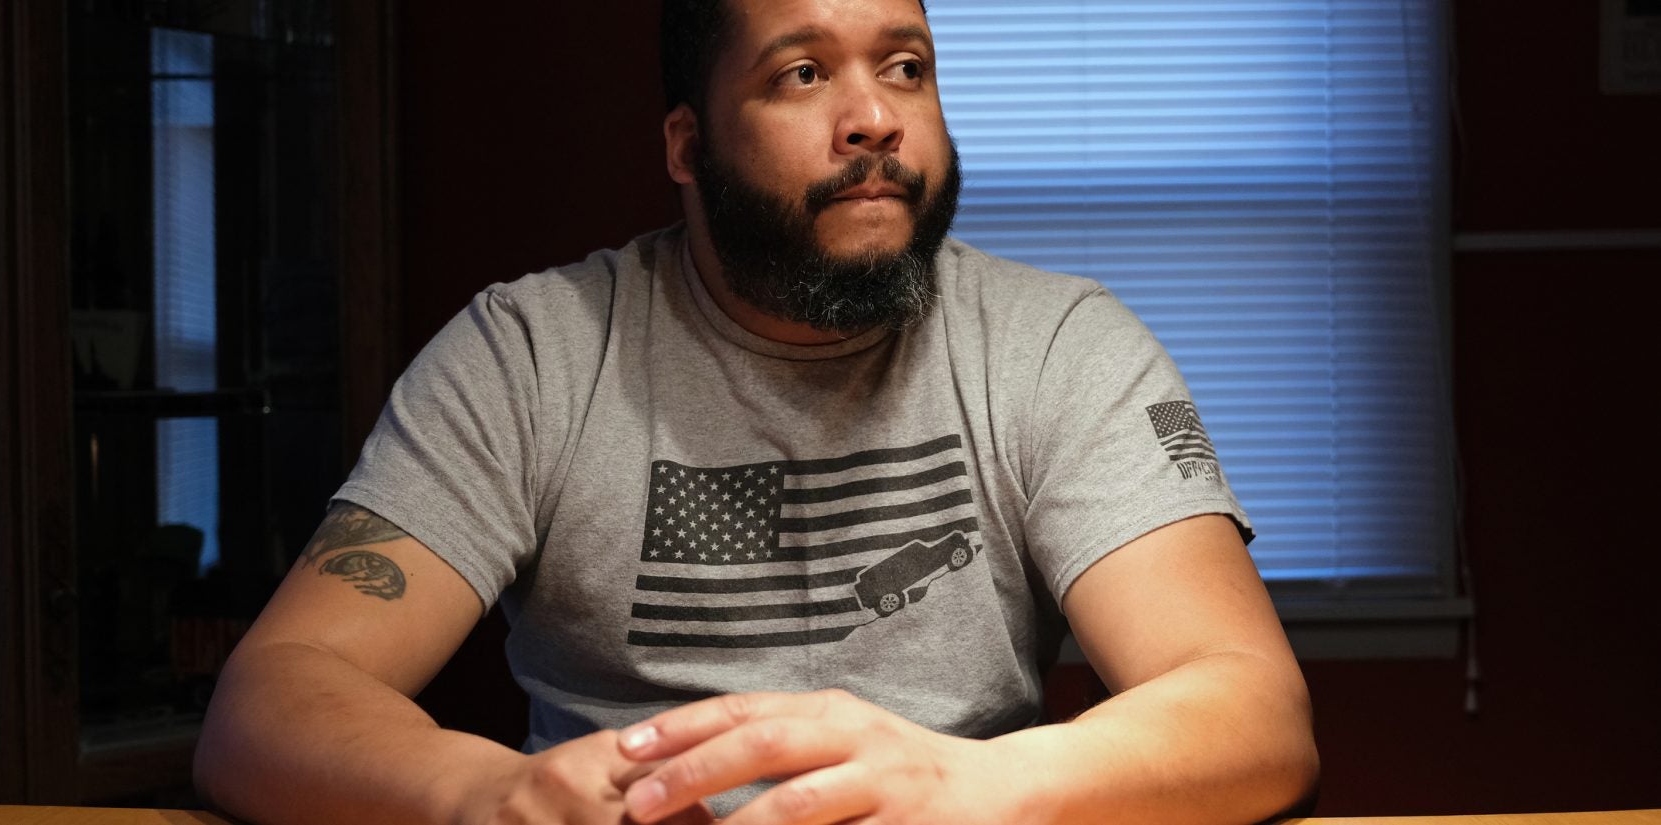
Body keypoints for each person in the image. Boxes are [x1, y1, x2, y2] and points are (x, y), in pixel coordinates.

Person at [193, 0, 1320, 822]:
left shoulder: (1060, 345)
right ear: (686, 146)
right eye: (800, 75)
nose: (873, 118)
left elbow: (1248, 708)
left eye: (906, 68)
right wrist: (492, 796)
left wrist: (978, 783)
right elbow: (268, 705)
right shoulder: (529, 352)